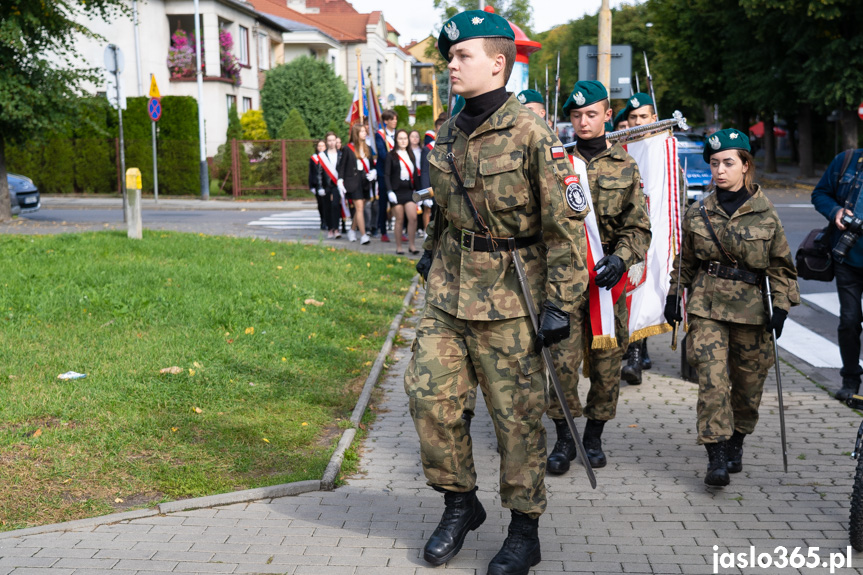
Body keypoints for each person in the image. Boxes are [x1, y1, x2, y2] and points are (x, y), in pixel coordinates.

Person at [405, 10, 588, 574]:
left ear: (498, 63)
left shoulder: (534, 134)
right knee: (427, 398)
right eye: (450, 56)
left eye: (462, 57)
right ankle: (460, 503)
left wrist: (561, 303)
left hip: (514, 298)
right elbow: (446, 208)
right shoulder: (448, 127)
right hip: (448, 291)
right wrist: (430, 256)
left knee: (516, 420)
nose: (451, 65)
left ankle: (524, 531)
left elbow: (566, 227)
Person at [665, 128, 799, 486]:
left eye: (727, 162)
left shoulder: (765, 213)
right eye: (714, 163)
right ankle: (716, 456)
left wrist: (782, 307)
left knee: (748, 386)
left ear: (745, 165)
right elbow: (686, 261)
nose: (719, 170)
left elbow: (782, 267)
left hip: (753, 312)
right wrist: (673, 295)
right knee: (711, 381)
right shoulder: (699, 211)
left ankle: (737, 438)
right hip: (707, 306)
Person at [546, 80, 651, 475]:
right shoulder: (558, 164)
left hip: (607, 285)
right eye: (576, 116)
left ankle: (592, 437)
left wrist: (622, 259)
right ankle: (562, 438)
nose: (583, 123)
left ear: (608, 116)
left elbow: (639, 226)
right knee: (560, 364)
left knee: (607, 367)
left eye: (591, 114)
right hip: (564, 283)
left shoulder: (626, 165)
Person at [812, 147, 863, 400]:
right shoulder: (847, 161)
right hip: (848, 258)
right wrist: (836, 212)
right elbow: (820, 194)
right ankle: (850, 381)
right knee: (850, 321)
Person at [619, 92, 659, 385]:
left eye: (643, 117)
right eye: (632, 117)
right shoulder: (619, 151)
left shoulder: (664, 153)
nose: (637, 122)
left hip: (656, 234)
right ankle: (632, 352)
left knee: (649, 292)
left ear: (653, 119)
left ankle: (638, 349)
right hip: (627, 235)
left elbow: (674, 196)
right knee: (632, 291)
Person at [383, 129, 418, 255]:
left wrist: (420, 192)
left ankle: (412, 245)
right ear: (396, 140)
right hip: (396, 192)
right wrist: (389, 191)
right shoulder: (391, 155)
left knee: (413, 218)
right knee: (399, 219)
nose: (403, 141)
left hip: (408, 190)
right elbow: (386, 175)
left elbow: (415, 175)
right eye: (400, 138)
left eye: (405, 138)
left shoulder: (411, 154)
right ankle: (399, 247)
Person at [341, 123, 376, 245]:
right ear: (356, 134)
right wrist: (340, 180)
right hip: (353, 181)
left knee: (359, 208)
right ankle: (363, 235)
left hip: (365, 181)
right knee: (360, 207)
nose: (364, 133)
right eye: (362, 131)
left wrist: (373, 172)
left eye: (365, 131)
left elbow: (371, 165)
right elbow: (342, 167)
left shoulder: (367, 147)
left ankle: (352, 230)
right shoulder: (348, 148)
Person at [375, 110, 399, 242]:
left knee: (399, 202)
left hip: (396, 173)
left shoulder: (397, 134)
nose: (395, 121)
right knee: (383, 203)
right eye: (392, 119)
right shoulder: (380, 135)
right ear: (386, 121)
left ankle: (400, 230)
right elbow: (383, 154)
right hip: (384, 173)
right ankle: (383, 231)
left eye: (395, 119)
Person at [317, 132, 343, 239]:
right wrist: (320, 187)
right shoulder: (323, 156)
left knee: (336, 205)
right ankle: (330, 229)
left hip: (338, 184)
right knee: (327, 206)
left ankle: (336, 228)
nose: (332, 143)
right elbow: (319, 173)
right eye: (329, 140)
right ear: (327, 142)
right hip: (327, 185)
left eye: (333, 140)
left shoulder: (341, 154)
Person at [308, 139, 327, 231]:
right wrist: (311, 185)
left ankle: (328, 221)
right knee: (321, 204)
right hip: (317, 185)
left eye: (322, 146)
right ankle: (323, 221)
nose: (321, 147)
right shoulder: (314, 158)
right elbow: (311, 172)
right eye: (319, 146)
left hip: (327, 184)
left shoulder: (328, 157)